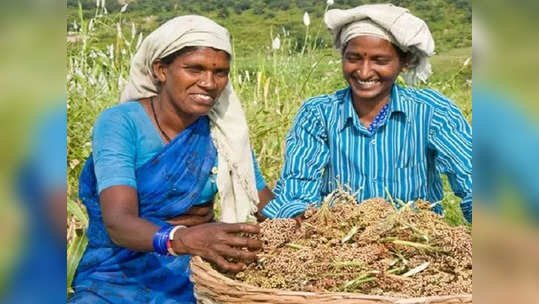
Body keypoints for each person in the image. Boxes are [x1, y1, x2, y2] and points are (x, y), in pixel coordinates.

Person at [69, 15, 273, 304]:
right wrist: (181, 237)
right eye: (195, 69)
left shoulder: (223, 133)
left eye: (220, 72)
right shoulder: (121, 123)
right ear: (161, 70)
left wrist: (323, 226)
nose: (209, 82)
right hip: (115, 276)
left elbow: (262, 201)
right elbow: (118, 221)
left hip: (194, 274)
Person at [259, 4, 472, 223]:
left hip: (415, 242)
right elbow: (297, 189)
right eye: (354, 58)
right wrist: (309, 220)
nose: (364, 71)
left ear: (404, 62)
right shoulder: (318, 114)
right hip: (338, 242)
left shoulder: (433, 111)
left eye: (380, 61)